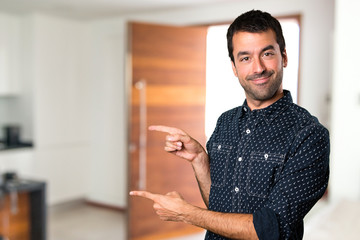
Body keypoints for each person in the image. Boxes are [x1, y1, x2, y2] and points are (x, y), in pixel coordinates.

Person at [130, 9, 330, 240]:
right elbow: (218, 203)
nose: (258, 68)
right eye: (245, 58)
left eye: (267, 54)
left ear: (283, 56)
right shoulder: (225, 122)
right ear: (234, 67)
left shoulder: (309, 135)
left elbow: (270, 229)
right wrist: (199, 159)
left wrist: (186, 213)